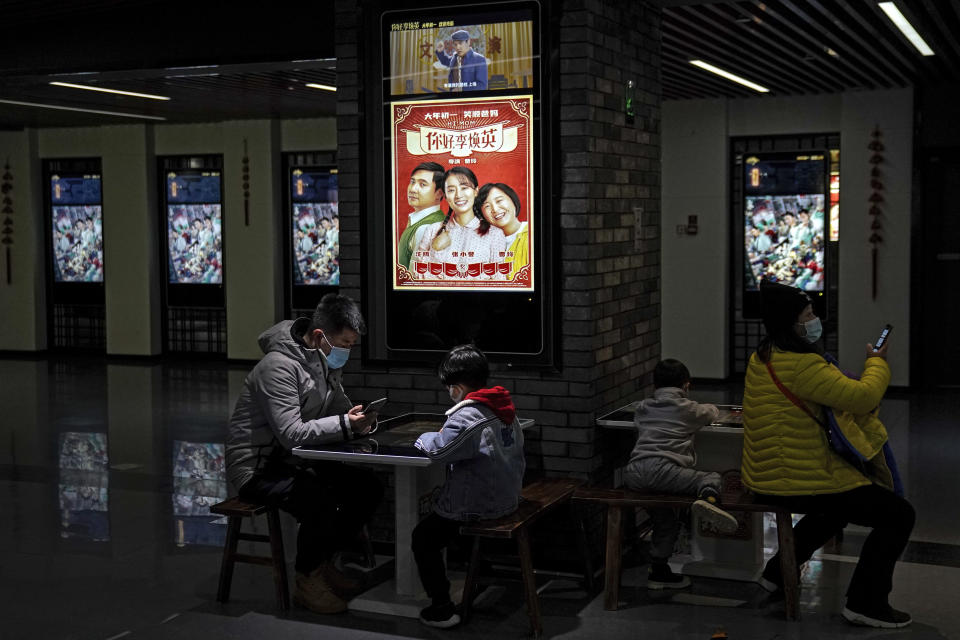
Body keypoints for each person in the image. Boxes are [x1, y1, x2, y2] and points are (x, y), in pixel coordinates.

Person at [741, 280, 914, 629]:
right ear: (791, 322)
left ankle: (776, 573)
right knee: (898, 515)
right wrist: (877, 362)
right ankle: (866, 603)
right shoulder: (803, 365)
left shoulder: (763, 356)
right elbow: (864, 397)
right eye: (808, 314)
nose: (814, 319)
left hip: (765, 476)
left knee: (832, 511)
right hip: (795, 479)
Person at [225, 294, 384, 615]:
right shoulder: (277, 368)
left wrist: (360, 420)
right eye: (344, 343)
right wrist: (344, 424)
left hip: (296, 459)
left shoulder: (322, 362)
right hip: (258, 468)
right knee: (319, 499)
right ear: (319, 335)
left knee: (367, 487)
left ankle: (323, 563)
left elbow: (339, 408)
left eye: (352, 345)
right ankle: (307, 579)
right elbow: (291, 433)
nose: (347, 352)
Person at [411, 345, 526, 628]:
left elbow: (438, 451)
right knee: (456, 533)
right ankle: (478, 579)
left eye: (449, 386)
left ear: (458, 386)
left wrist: (423, 437)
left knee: (423, 537)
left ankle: (442, 608)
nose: (448, 392)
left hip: (478, 504)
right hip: (507, 498)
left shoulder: (467, 417)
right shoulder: (503, 407)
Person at [622, 359, 739, 589]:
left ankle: (659, 571)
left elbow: (638, 420)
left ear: (655, 385)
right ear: (685, 386)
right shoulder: (688, 409)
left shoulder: (644, 407)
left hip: (634, 472)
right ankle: (708, 500)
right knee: (710, 477)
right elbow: (711, 413)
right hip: (664, 470)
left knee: (664, 519)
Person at [414, 167, 506, 280]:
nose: (458, 195)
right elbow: (417, 274)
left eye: (464, 188)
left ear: (476, 191)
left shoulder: (495, 234)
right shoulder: (432, 230)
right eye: (451, 190)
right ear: (446, 196)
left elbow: (499, 280)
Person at [398, 162, 446, 271]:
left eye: (422, 184)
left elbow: (416, 278)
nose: (413, 189)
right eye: (412, 182)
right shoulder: (418, 220)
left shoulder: (426, 228)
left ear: (439, 193)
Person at [477, 182, 528, 281]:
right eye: (487, 206)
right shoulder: (483, 243)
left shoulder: (531, 235)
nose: (495, 209)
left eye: (499, 201)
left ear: (512, 199)